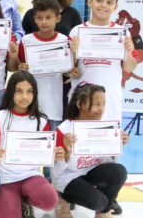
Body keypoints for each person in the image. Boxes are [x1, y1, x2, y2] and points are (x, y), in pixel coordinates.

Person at [0, 71, 61, 218]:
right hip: (5, 178)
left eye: (29, 92)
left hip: (31, 176)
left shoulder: (42, 121)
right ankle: (1, 200)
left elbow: (46, 155)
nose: (24, 97)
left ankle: (23, 200)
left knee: (50, 201)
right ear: (11, 92)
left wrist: (56, 154)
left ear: (35, 94)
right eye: (19, 91)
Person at [53, 83, 129, 218]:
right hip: (68, 178)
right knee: (101, 202)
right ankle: (63, 199)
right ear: (80, 104)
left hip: (90, 173)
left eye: (103, 104)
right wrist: (67, 153)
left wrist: (117, 146)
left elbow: (107, 163)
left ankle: (103, 212)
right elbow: (56, 173)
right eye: (96, 104)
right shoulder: (64, 130)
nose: (101, 109)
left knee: (119, 171)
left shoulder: (105, 126)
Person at [69, 0, 139, 122]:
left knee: (105, 139)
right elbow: (69, 68)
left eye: (109, 2)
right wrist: (73, 51)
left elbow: (129, 68)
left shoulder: (123, 33)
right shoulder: (77, 31)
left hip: (110, 99)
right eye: (99, 0)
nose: (103, 5)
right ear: (90, 1)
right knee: (78, 140)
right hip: (82, 99)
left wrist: (129, 51)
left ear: (115, 7)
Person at [18, 0, 76, 129]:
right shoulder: (26, 41)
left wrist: (71, 71)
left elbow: (68, 70)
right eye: (40, 17)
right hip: (29, 106)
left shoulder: (65, 41)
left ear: (57, 18)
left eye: (48, 17)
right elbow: (20, 69)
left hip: (53, 107)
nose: (44, 21)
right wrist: (20, 67)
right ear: (35, 19)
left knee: (51, 146)